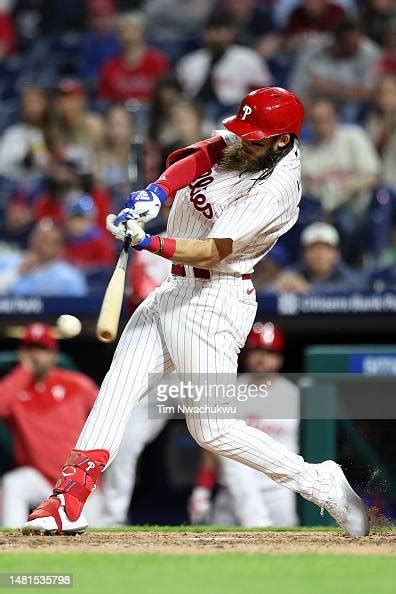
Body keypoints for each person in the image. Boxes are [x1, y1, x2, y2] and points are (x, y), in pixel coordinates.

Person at [22, 87, 369, 538]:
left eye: (257, 138)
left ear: (283, 141)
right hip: (174, 287)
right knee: (116, 389)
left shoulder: (278, 188)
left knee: (213, 430)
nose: (244, 141)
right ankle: (67, 500)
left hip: (215, 299)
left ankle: (321, 483)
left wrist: (149, 242)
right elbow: (204, 152)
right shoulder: (249, 140)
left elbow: (211, 250)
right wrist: (156, 192)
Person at [189, 322, 300, 527]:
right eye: (256, 350)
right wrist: (202, 489)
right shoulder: (229, 391)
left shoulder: (294, 396)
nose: (261, 358)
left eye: (268, 352)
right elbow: (211, 446)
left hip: (278, 492)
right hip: (231, 491)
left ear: (280, 358)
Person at [0, 323, 102, 528]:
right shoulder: (15, 387)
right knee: (13, 484)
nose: (37, 355)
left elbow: (107, 411)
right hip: (41, 480)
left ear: (54, 355)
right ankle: (11, 548)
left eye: (43, 349)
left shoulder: (75, 384)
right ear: (22, 353)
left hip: (80, 482)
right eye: (31, 348)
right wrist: (24, 371)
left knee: (101, 536)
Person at [176, 13, 271, 121]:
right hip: (194, 112)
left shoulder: (248, 58)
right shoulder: (190, 62)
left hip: (235, 112)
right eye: (212, 31)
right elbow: (180, 94)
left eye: (221, 31)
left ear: (232, 33)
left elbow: (263, 93)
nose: (216, 36)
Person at [290, 18, 382, 122]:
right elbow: (297, 91)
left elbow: (370, 92)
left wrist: (332, 88)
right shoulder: (313, 53)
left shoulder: (370, 52)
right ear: (337, 42)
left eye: (358, 40)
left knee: (352, 108)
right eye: (349, 44)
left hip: (358, 109)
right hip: (319, 107)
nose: (357, 47)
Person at [302, 98, 380, 218]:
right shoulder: (305, 152)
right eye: (317, 121)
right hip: (317, 212)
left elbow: (373, 177)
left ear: (335, 117)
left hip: (353, 210)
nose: (322, 125)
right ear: (310, 124)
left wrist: (348, 188)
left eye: (326, 119)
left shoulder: (353, 137)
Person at [0, 218, 88, 296]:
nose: (41, 246)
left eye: (48, 242)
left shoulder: (70, 278)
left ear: (59, 247)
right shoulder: (6, 263)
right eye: (39, 239)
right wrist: (16, 272)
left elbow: (80, 310)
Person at [272, 222, 365, 294]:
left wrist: (309, 289)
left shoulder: (349, 278)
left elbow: (357, 290)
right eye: (313, 248)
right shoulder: (294, 272)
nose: (319, 255)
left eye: (325, 248)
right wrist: (281, 285)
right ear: (303, 253)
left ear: (337, 254)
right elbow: (267, 291)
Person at [98, 11, 170, 104]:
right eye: (124, 31)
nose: (129, 36)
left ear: (143, 33)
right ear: (118, 36)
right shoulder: (110, 66)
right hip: (120, 114)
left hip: (152, 113)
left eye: (134, 30)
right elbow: (105, 99)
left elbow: (165, 94)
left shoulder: (157, 62)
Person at [0, 86, 49, 183]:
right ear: (23, 107)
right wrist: (25, 160)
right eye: (30, 103)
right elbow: (2, 167)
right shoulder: (14, 134)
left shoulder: (56, 132)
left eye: (38, 102)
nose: (34, 108)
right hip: (23, 188)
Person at [63, 194, 115, 271]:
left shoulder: (100, 241)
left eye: (82, 220)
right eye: (73, 220)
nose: (77, 225)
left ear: (91, 221)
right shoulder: (63, 241)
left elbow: (107, 266)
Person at [80, 0, 120, 90]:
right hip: (91, 89)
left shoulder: (123, 41)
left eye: (106, 16)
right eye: (96, 16)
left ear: (114, 16)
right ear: (88, 19)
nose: (101, 21)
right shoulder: (83, 43)